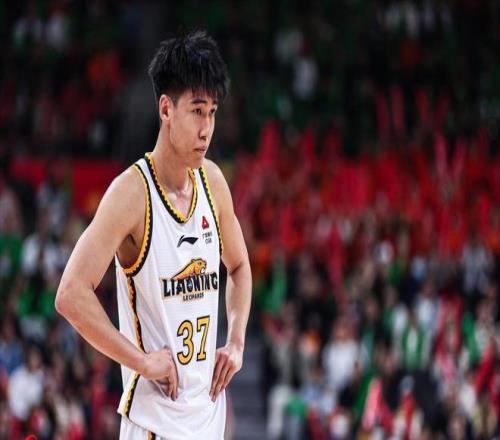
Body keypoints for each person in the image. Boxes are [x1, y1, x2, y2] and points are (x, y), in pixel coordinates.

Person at [55, 30, 252, 439]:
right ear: (166, 109)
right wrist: (142, 362)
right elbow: (70, 293)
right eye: (197, 111)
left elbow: (238, 267)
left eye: (212, 112)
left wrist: (236, 341)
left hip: (208, 418)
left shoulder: (213, 182)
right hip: (155, 423)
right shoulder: (131, 194)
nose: (207, 128)